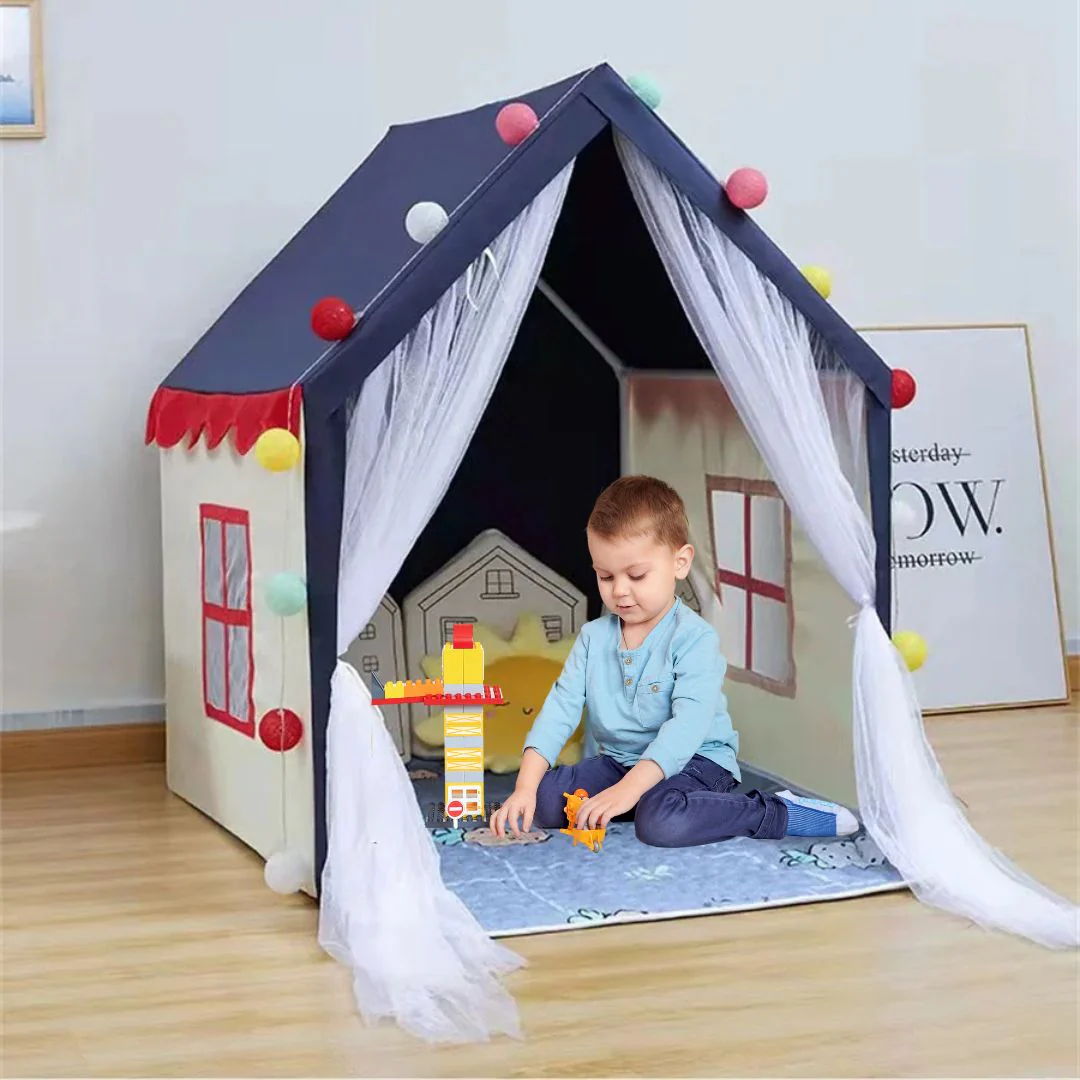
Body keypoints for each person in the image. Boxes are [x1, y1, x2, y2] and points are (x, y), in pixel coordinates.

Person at [490, 475, 859, 847]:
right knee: (543, 799)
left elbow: (686, 728)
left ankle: (775, 810)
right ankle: (637, 800)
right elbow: (560, 709)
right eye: (605, 576)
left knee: (661, 823)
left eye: (636, 575)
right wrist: (525, 787)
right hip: (621, 762)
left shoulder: (694, 639)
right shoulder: (592, 638)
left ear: (679, 563)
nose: (619, 590)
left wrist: (629, 789)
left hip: (697, 762)